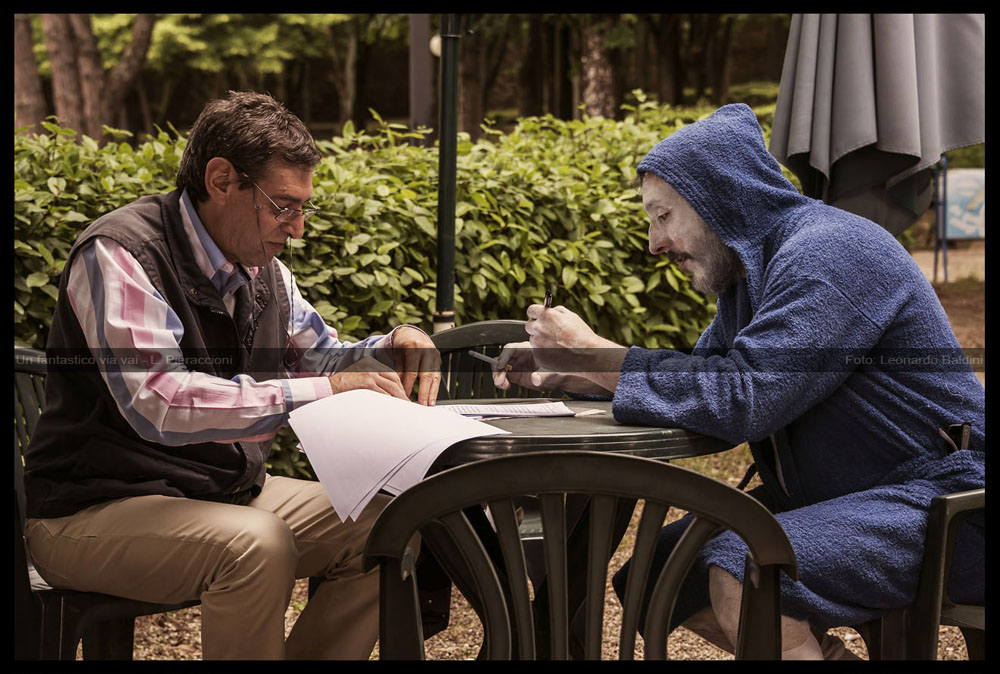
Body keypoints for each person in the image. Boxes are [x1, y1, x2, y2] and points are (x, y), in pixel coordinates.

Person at [491, 104, 984, 659]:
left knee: (747, 568)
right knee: (656, 572)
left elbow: (746, 397)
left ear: (719, 200)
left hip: (955, 503)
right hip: (865, 494)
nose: (654, 243)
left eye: (663, 216)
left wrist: (595, 353)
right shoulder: (751, 279)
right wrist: (583, 372)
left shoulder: (831, 253)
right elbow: (707, 384)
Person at [22, 91, 442, 660]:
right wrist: (324, 388)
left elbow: (321, 361)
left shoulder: (266, 273)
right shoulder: (120, 253)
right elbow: (159, 402)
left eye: (304, 208)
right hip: (90, 508)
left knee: (391, 523)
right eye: (284, 206)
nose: (298, 229)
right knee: (257, 544)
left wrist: (394, 347)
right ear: (221, 180)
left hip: (220, 493)